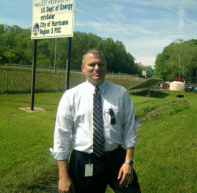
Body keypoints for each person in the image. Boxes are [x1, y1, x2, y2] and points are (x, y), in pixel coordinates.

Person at [50, 49, 141, 193]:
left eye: (101, 64)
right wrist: (63, 176)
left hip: (115, 158)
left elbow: (129, 129)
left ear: (106, 67)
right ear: (83, 68)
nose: (97, 68)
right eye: (92, 65)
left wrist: (128, 161)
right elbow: (62, 136)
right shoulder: (71, 96)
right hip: (84, 159)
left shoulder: (121, 93)